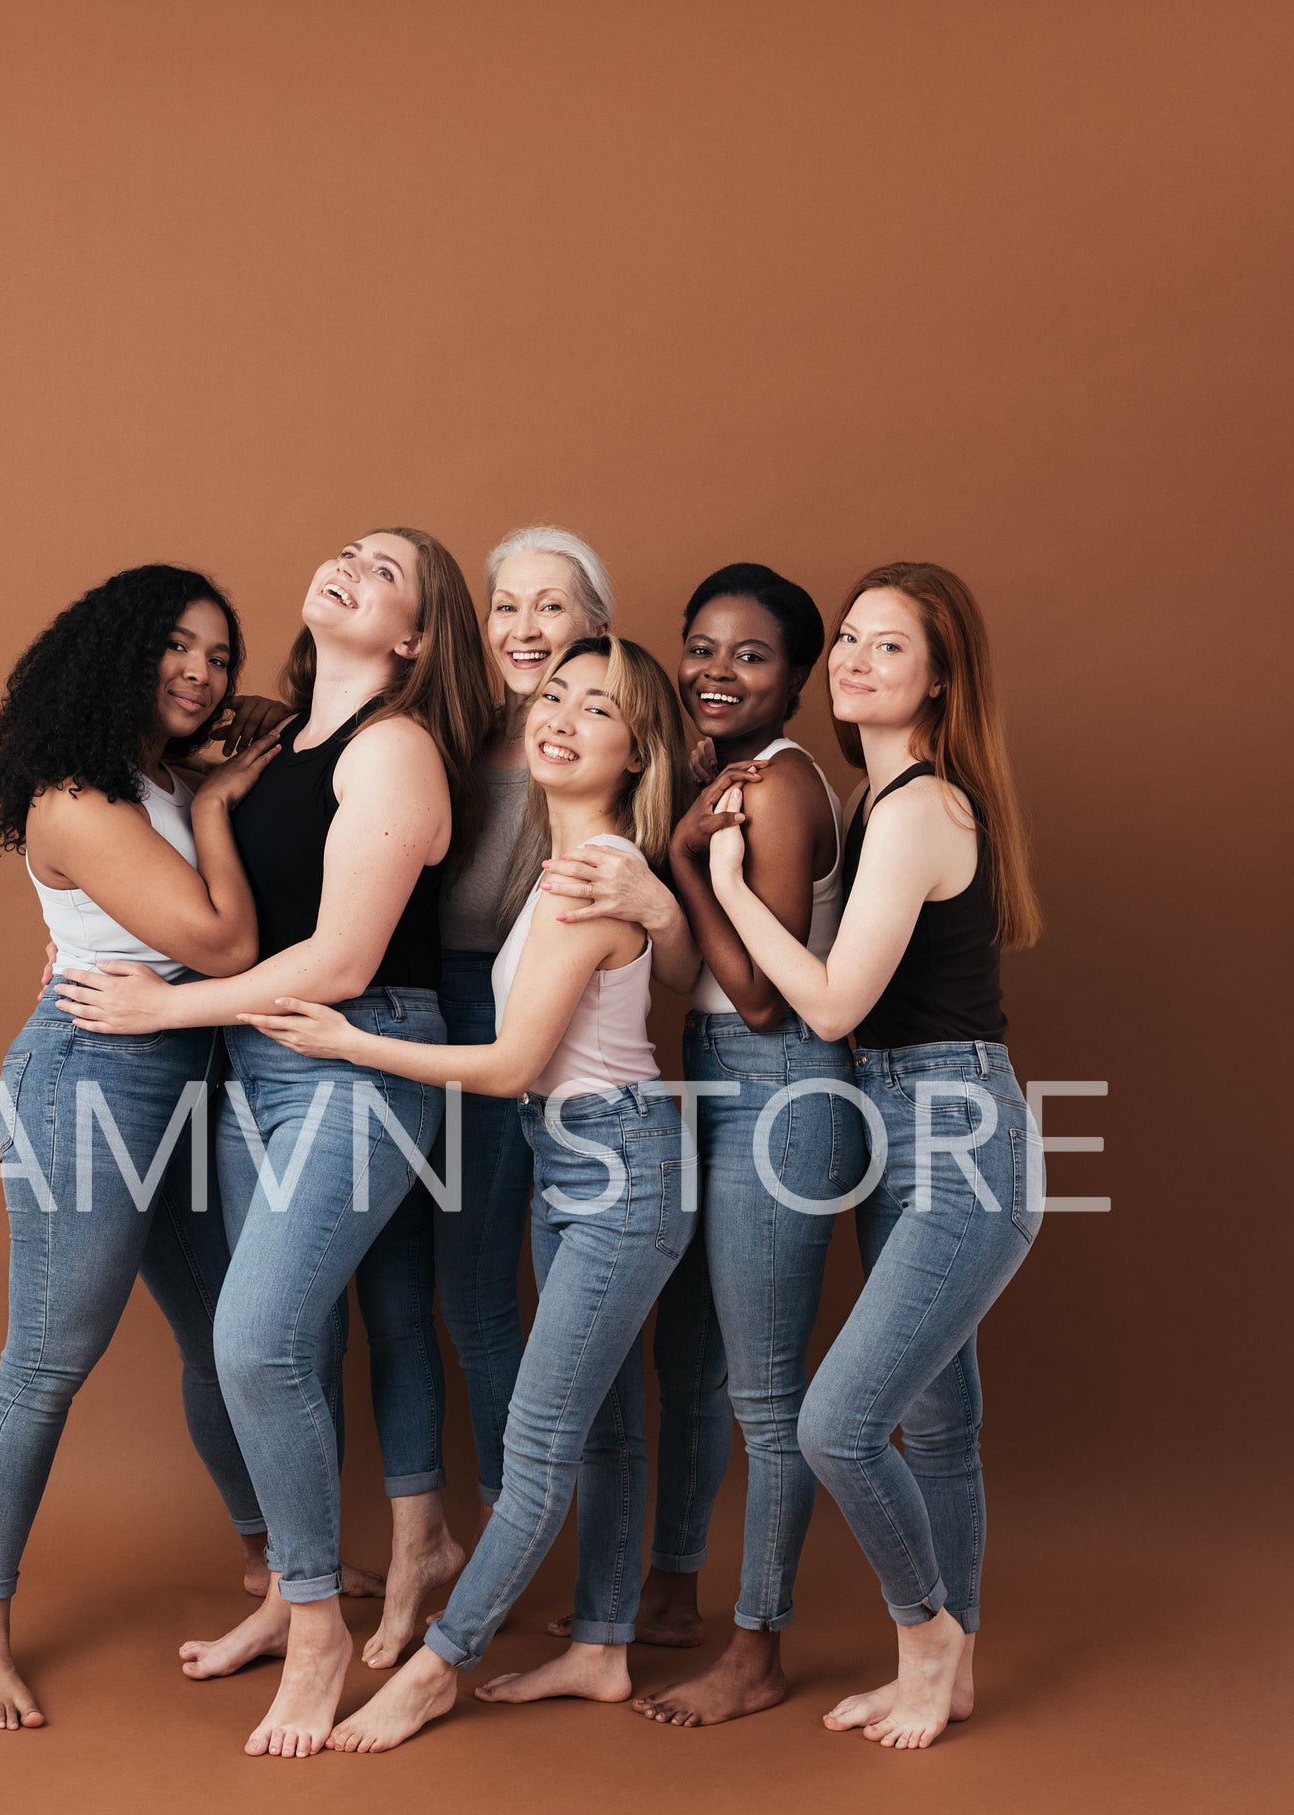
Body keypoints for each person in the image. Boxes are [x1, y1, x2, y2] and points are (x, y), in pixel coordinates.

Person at [53, 530, 492, 1758]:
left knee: (251, 1340)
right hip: (260, 1065)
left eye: (388, 569)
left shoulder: (395, 748)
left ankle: (313, 1627)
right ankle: (314, 1593)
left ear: (411, 639)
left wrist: (154, 1008)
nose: (351, 562)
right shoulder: (272, 742)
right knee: (283, 1341)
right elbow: (202, 903)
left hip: (357, 1058)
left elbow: (344, 960)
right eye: (349, 547)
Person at [245, 636, 694, 1752]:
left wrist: (353, 1041)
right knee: (587, 1429)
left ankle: (439, 1668)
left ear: (636, 750)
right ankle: (597, 1644)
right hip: (574, 1160)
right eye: (552, 696)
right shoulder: (570, 865)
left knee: (540, 1443)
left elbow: (502, 1068)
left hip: (616, 1171)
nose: (560, 717)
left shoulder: (590, 881)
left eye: (597, 709)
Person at [704, 560, 1044, 1748]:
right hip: (902, 1128)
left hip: (954, 1138)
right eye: (846, 637)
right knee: (938, 1423)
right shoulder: (886, 799)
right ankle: (948, 1677)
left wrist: (726, 885)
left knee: (835, 1422)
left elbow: (835, 1005)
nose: (850, 658)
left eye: (885, 646)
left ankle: (927, 1634)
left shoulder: (915, 809)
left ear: (939, 680)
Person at [0, 565, 281, 1731]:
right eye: (175, 649)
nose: (200, 672)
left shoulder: (153, 773)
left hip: (185, 1072)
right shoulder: (78, 796)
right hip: (90, 1083)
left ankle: (266, 1556)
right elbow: (226, 940)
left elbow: (290, 735)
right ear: (117, 655)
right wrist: (215, 806)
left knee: (219, 1336)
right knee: (46, 1360)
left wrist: (229, 752)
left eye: (219, 657)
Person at [627, 563, 864, 1727]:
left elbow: (765, 997)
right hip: (720, 1078)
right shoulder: (729, 776)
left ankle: (756, 1646)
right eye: (700, 646)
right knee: (691, 1359)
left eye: (750, 655)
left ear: (796, 677)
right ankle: (672, 1587)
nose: (716, 673)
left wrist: (680, 864)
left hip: (778, 1082)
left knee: (764, 1393)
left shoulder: (772, 788)